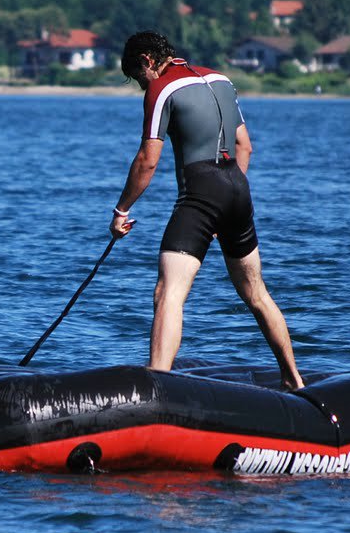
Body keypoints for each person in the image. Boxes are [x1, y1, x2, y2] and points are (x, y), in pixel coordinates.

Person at [108, 30, 304, 389]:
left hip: (201, 192)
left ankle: (158, 387)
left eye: (138, 78)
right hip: (237, 191)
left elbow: (147, 162)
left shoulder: (161, 89)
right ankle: (294, 380)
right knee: (257, 294)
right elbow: (245, 146)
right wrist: (226, 199)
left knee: (168, 294)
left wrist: (121, 211)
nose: (141, 86)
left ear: (147, 62)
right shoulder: (221, 79)